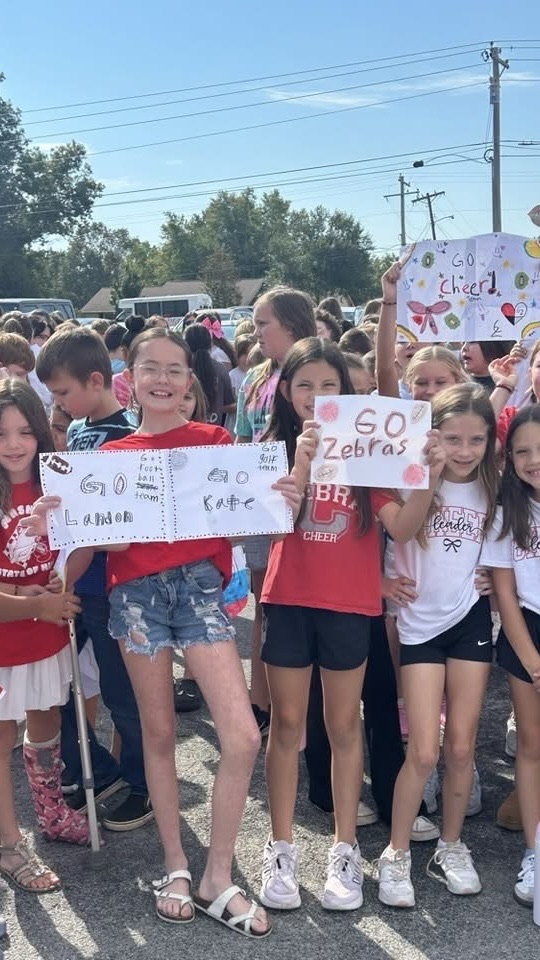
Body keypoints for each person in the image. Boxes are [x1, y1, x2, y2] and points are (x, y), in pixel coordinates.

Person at [99, 326, 281, 935]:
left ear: (191, 384)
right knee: (157, 732)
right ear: (131, 378)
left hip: (200, 588)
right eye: (150, 367)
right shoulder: (109, 458)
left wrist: (273, 494)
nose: (163, 380)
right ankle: (177, 862)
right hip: (136, 597)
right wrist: (68, 518)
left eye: (175, 370)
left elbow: (237, 525)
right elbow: (114, 542)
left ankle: (216, 875)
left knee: (242, 735)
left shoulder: (216, 442)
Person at [258, 337, 445, 911]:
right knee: (289, 727)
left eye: (329, 385)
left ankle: (344, 850)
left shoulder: (372, 454)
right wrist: (302, 462)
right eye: (304, 385)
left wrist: (429, 477)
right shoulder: (268, 449)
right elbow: (269, 525)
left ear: (347, 390)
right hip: (288, 599)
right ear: (286, 393)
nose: (317, 397)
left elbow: (405, 527)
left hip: (349, 607)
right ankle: (281, 847)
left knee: (345, 727)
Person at [377, 382, 498, 909]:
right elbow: (387, 536)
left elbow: (510, 548)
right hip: (418, 625)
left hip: (469, 619)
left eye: (477, 440)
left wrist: (497, 577)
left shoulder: (497, 488)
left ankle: (451, 845)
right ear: (433, 437)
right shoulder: (411, 480)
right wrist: (380, 585)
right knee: (423, 750)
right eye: (453, 439)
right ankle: (396, 853)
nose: (465, 451)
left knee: (463, 747)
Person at [35, 327, 151, 830]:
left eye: (62, 393)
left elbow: (122, 523)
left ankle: (143, 786)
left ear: (96, 379)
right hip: (74, 583)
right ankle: (97, 771)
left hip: (110, 585)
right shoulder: (80, 430)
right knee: (52, 686)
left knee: (123, 694)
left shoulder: (128, 437)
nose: (57, 404)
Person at [0, 380, 91, 895]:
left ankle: (50, 810)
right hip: (8, 636)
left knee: (45, 719)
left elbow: (80, 546)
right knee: (1, 736)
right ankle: (9, 842)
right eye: (1, 434)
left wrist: (64, 580)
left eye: (25, 431)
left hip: (45, 633)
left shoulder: (58, 483)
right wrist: (35, 601)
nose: (14, 444)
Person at [235, 286, 317, 735]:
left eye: (263, 321)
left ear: (290, 323)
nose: (255, 330)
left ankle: (310, 706)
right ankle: (261, 701)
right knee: (265, 604)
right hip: (264, 510)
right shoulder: (253, 378)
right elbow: (240, 444)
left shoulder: (324, 368)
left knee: (312, 606)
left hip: (321, 512)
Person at [481, 405, 540, 907]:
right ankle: (535, 849)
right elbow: (505, 592)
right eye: (522, 451)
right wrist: (534, 663)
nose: (533, 459)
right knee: (531, 745)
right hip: (528, 634)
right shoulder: (508, 511)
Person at [184, 324, 235, 426]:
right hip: (213, 431)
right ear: (210, 344)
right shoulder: (220, 369)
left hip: (186, 429)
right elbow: (229, 404)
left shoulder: (181, 370)